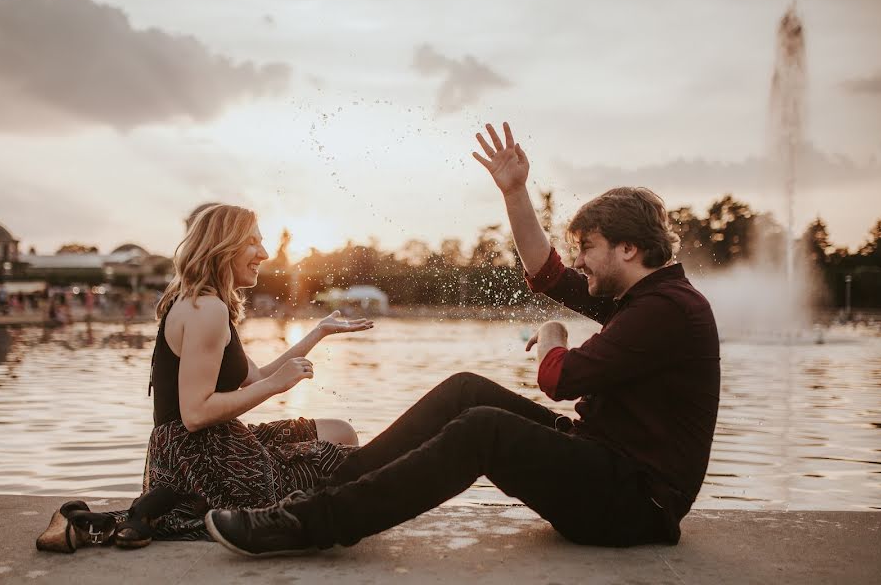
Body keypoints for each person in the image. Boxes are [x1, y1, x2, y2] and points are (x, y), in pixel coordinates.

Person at [204, 122, 721, 556]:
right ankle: (319, 493)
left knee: (484, 430)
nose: (580, 260)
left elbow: (559, 377)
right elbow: (546, 273)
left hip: (635, 505)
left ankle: (313, 526)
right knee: (466, 391)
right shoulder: (640, 296)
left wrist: (551, 332)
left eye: (588, 247)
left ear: (629, 248)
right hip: (604, 466)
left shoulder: (667, 310)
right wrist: (515, 193)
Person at [36, 204, 373, 553]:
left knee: (341, 431)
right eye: (253, 243)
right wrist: (276, 386)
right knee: (346, 463)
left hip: (211, 443)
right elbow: (195, 414)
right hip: (199, 460)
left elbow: (255, 376)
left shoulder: (208, 304)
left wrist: (317, 333)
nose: (265, 253)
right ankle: (91, 523)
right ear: (223, 247)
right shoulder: (206, 310)